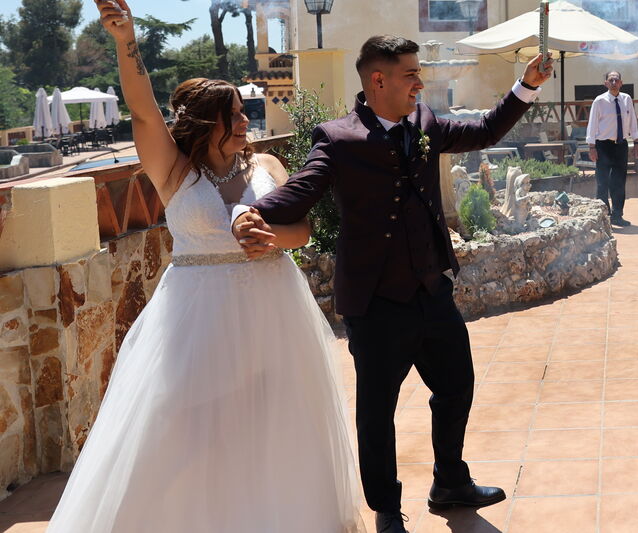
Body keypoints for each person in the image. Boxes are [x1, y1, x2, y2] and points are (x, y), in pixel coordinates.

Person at [49, 0, 365, 533]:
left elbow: (303, 229)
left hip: (273, 308)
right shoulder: (172, 171)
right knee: (187, 431)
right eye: (234, 115)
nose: (246, 121)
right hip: (197, 319)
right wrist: (127, 42)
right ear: (205, 122)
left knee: (272, 425)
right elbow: (144, 109)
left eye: (244, 112)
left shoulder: (265, 162)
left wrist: (271, 236)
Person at [234, 36, 551, 532]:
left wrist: (525, 86)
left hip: (432, 289)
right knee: (377, 413)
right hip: (376, 302)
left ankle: (450, 482)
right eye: (410, 74)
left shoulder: (424, 124)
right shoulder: (336, 139)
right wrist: (248, 213)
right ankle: (385, 508)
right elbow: (302, 189)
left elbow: (484, 130)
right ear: (378, 80)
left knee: (456, 386)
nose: (420, 83)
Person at [586, 69, 638, 227]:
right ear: (606, 83)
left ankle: (617, 215)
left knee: (619, 182)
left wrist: (636, 142)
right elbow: (592, 124)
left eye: (617, 80)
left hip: (621, 145)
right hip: (603, 146)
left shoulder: (626, 99)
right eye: (611, 80)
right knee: (602, 183)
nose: (614, 82)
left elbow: (633, 122)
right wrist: (592, 147)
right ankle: (603, 217)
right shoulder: (599, 101)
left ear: (621, 83)